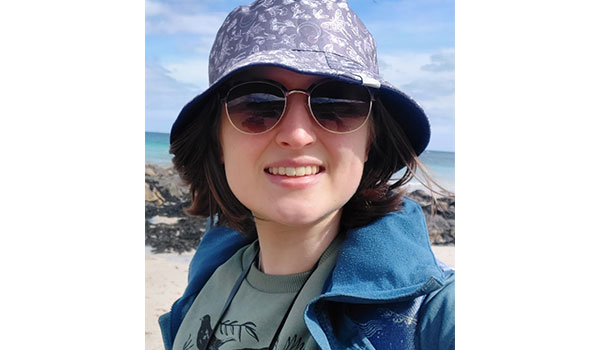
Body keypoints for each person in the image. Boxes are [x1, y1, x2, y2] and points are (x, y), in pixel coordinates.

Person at [159, 1, 454, 349]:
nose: (297, 135)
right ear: (217, 139)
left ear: (369, 141)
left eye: (336, 105)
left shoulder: (436, 316)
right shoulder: (208, 275)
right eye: (258, 105)